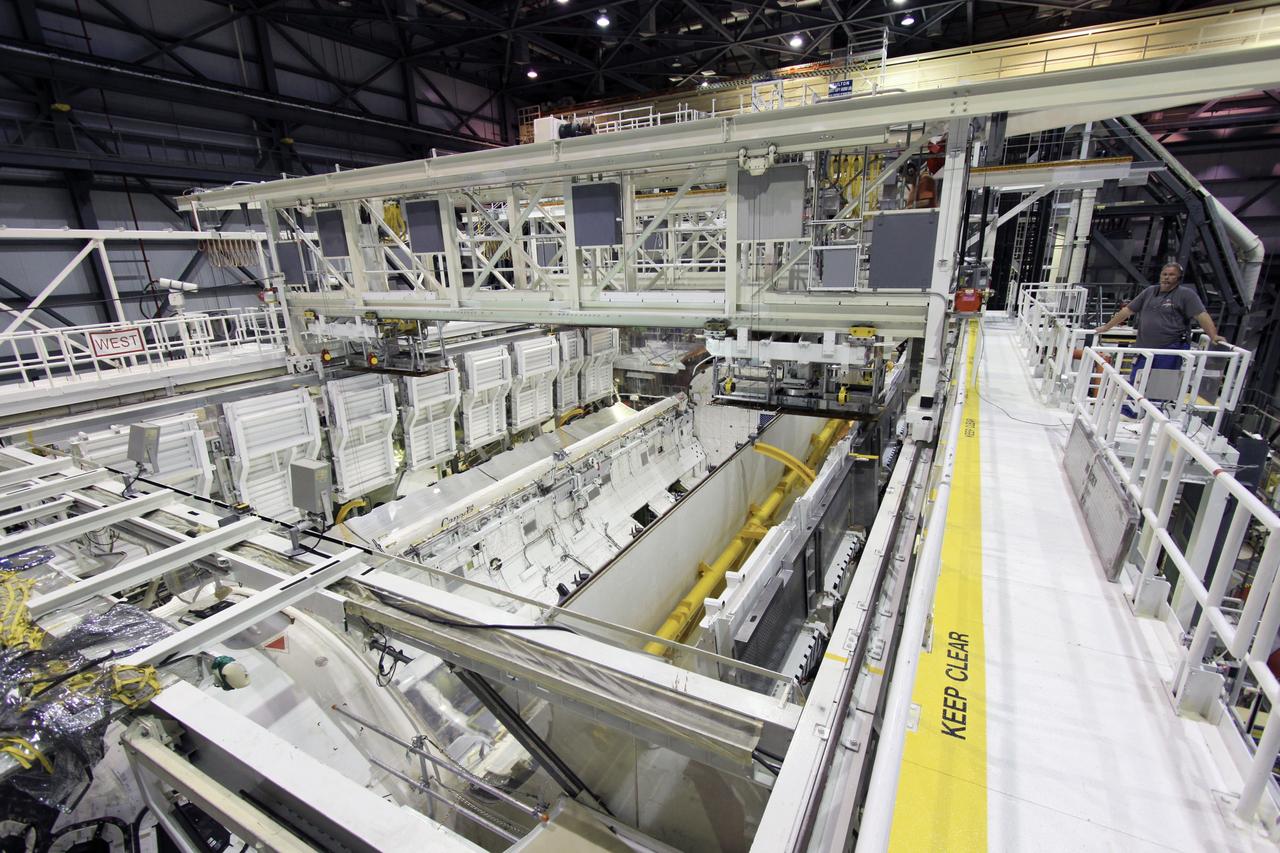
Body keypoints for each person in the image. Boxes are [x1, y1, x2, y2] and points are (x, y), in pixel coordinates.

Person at [1094, 263, 1224, 413]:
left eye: (1171, 275)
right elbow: (1127, 311)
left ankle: (1155, 416)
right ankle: (1132, 413)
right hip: (1144, 348)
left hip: (1170, 349)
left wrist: (1213, 335)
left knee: (1160, 387)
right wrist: (1106, 327)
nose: (1167, 278)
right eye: (1165, 274)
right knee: (1137, 380)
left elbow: (1201, 315)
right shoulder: (1150, 292)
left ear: (1179, 278)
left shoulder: (1185, 295)